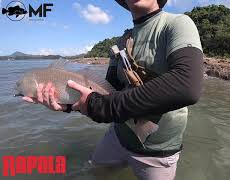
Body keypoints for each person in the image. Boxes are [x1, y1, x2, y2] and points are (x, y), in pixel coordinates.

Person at [23, 0, 203, 179]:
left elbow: (186, 86)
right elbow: (108, 90)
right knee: (96, 171)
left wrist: (102, 107)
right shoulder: (123, 41)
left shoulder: (177, 24)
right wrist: (68, 104)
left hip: (157, 151)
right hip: (118, 135)